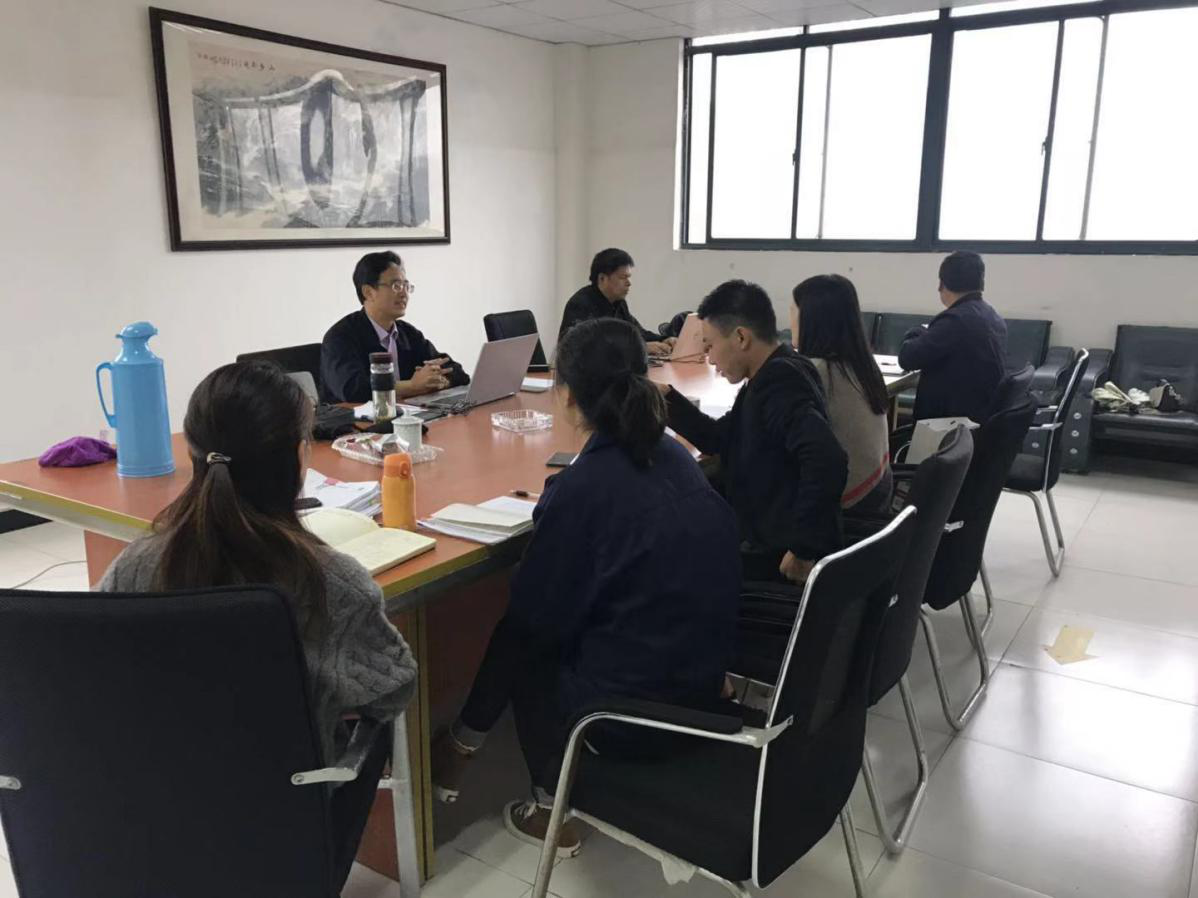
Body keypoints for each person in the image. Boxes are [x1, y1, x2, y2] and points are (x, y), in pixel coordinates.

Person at [97, 361, 417, 890]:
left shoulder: (135, 565)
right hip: (284, 835)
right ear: (298, 457)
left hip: (151, 825)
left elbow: (97, 677)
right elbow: (393, 689)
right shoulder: (331, 582)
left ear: (193, 453)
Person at [432, 318, 741, 857]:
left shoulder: (584, 489)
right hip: (705, 689)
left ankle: (552, 807)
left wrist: (465, 733)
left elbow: (530, 627)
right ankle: (475, 746)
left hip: (634, 719)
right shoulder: (673, 454)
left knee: (526, 644)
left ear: (568, 395)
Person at [660, 280, 847, 585]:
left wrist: (803, 547)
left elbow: (827, 458)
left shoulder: (779, 383)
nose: (710, 358)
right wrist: (665, 398)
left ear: (741, 337)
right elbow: (719, 437)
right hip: (765, 533)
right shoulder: (775, 371)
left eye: (710, 345)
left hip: (776, 556)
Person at [791, 275, 892, 513]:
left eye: (793, 312)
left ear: (811, 319)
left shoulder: (815, 371)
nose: (790, 321)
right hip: (879, 488)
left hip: (850, 507)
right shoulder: (861, 365)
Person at [321, 250, 469, 403]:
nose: (404, 294)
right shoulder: (340, 337)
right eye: (396, 286)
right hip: (356, 417)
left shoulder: (408, 333)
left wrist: (439, 382)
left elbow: (457, 372)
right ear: (368, 292)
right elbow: (353, 389)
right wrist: (412, 386)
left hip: (409, 414)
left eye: (406, 286)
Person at [898, 251, 1007, 423]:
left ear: (942, 284)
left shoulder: (955, 320)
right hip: (981, 417)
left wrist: (915, 332)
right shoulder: (991, 315)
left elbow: (908, 358)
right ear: (981, 282)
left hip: (948, 426)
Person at [559, 248, 676, 356]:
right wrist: (640, 348)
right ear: (602, 278)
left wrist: (663, 339)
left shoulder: (618, 302)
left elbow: (636, 332)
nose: (629, 283)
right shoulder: (580, 304)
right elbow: (584, 347)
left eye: (629, 277)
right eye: (623, 277)